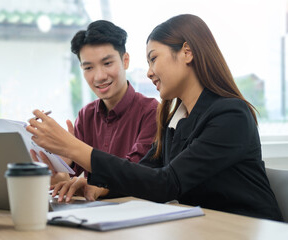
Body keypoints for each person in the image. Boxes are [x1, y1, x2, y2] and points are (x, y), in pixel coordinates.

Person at [27, 14, 283, 221]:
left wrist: (73, 147)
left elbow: (166, 184)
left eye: (153, 59)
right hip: (205, 227)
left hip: (249, 229)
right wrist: (89, 183)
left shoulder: (230, 114)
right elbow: (144, 174)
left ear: (187, 52)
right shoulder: (175, 120)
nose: (148, 72)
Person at [31, 20, 158, 200]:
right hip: (93, 214)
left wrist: (72, 148)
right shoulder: (85, 115)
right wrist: (59, 170)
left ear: (125, 60)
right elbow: (74, 182)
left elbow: (138, 172)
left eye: (107, 63)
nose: (99, 76)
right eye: (88, 67)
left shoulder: (151, 111)